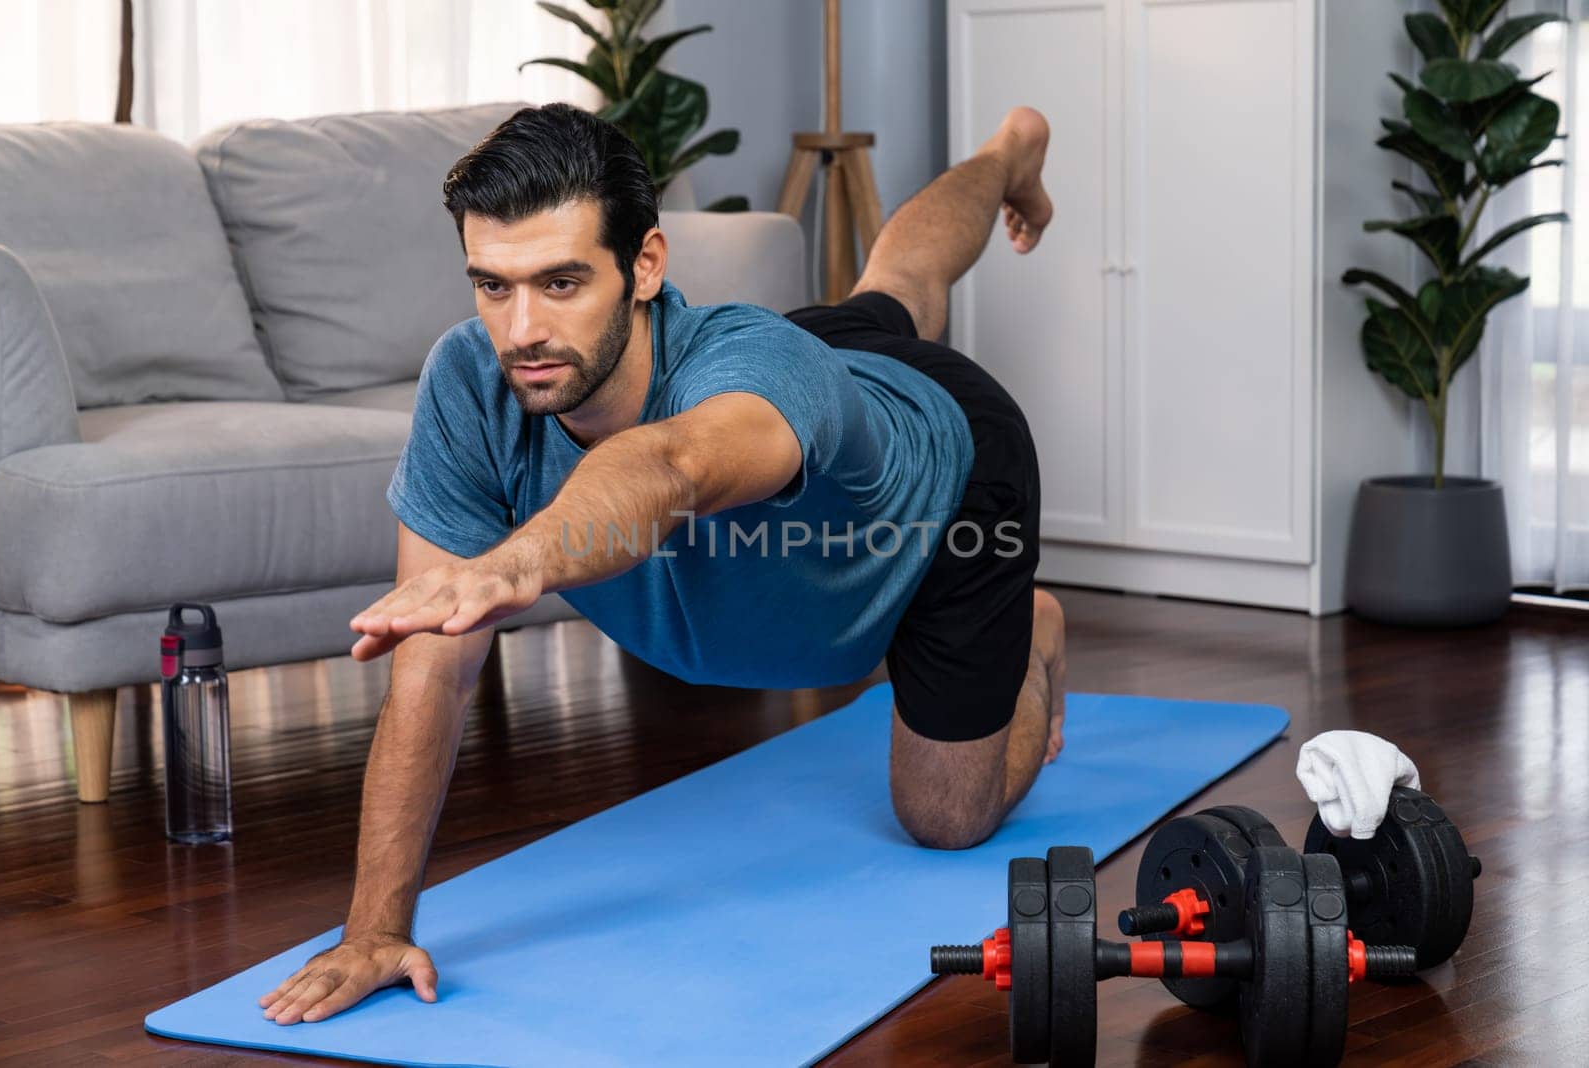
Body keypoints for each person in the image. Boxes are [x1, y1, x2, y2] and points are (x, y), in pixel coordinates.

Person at [258, 101, 1063, 1026]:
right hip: (823, 373)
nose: (520, 331)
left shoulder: (750, 378)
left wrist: (524, 559)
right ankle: (1012, 151)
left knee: (946, 820)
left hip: (951, 483)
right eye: (492, 285)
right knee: (900, 282)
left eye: (561, 283)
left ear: (645, 265)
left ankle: (1032, 636)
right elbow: (431, 674)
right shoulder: (472, 380)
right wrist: (373, 930)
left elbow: (671, 466)